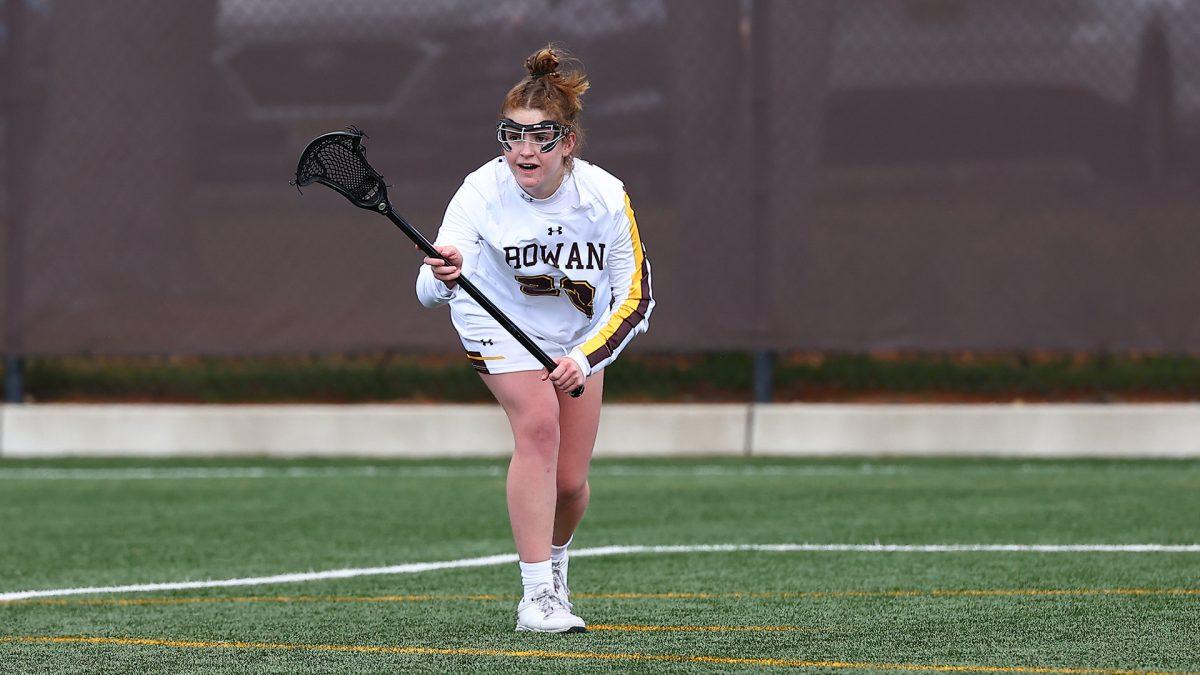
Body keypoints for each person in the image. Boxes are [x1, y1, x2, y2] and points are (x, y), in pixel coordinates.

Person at [415, 45, 654, 633]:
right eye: (512, 136)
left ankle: (556, 568)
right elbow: (427, 287)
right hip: (495, 327)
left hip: (577, 338)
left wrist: (583, 357)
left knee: (570, 485)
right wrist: (442, 275)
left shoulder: (603, 196)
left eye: (540, 138)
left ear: (567, 143)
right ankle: (536, 597)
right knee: (539, 425)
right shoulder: (479, 191)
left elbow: (636, 298)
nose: (524, 150)